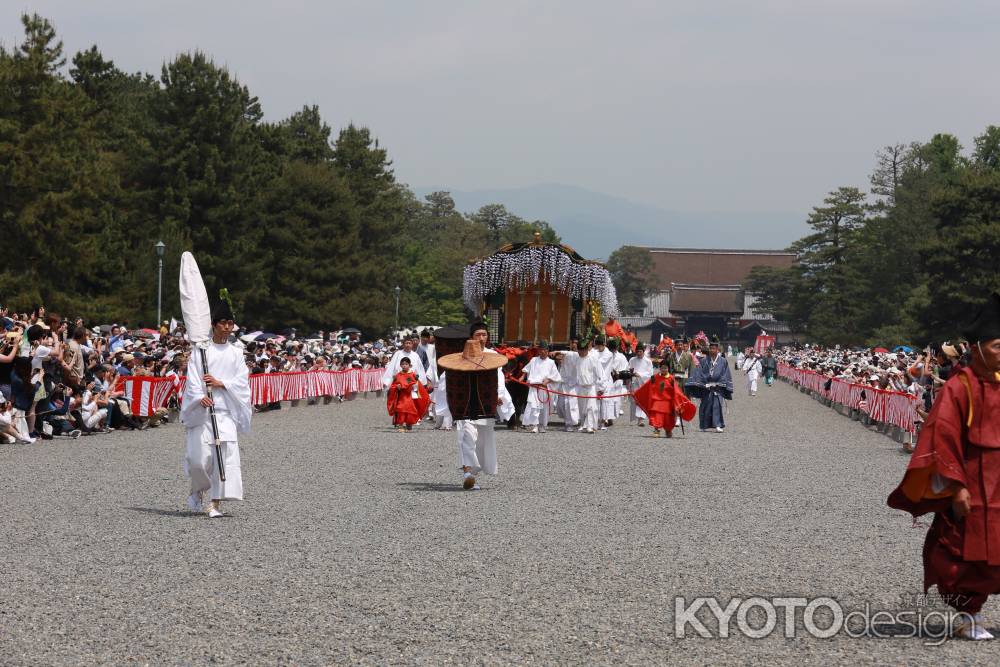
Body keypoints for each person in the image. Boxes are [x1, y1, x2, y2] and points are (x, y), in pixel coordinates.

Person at [887, 293, 1000, 640]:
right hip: (971, 479)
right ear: (978, 347)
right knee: (965, 551)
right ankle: (969, 614)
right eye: (998, 345)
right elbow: (943, 438)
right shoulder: (959, 385)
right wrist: (956, 486)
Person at [180, 302, 251, 518]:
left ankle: (215, 503)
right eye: (224, 323)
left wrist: (222, 383)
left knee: (224, 459)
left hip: (224, 411)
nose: (228, 327)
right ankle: (198, 488)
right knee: (199, 459)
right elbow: (192, 379)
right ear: (214, 325)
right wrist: (199, 398)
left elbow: (242, 382)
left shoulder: (236, 353)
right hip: (203, 412)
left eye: (231, 323)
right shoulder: (201, 351)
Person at [439, 323, 513, 491]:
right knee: (466, 437)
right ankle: (468, 474)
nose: (481, 338)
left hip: (484, 405)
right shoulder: (460, 356)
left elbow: (498, 379)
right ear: (471, 337)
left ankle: (474, 472)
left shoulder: (493, 356)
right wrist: (448, 400)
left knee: (481, 442)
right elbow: (447, 378)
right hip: (464, 405)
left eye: (484, 335)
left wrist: (498, 396)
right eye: (478, 334)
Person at [633, 359, 697, 438]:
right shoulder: (654, 377)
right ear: (660, 368)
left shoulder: (671, 379)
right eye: (662, 368)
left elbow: (677, 391)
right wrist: (636, 392)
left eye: (665, 368)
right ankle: (656, 430)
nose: (664, 369)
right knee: (657, 416)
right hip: (657, 401)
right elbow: (646, 386)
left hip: (668, 402)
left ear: (668, 369)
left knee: (668, 418)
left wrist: (681, 401)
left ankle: (668, 430)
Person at [685, 336, 734, 432]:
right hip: (706, 387)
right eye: (710, 348)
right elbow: (698, 372)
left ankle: (718, 425)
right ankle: (703, 425)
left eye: (714, 348)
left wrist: (721, 383)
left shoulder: (723, 361)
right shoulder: (704, 361)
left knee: (717, 405)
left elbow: (726, 374)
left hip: (717, 387)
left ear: (717, 349)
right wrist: (701, 382)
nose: (712, 350)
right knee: (705, 406)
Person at [520, 341, 562, 433]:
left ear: (547, 351)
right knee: (534, 406)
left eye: (544, 350)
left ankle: (542, 425)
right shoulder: (534, 360)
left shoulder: (551, 362)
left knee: (544, 407)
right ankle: (535, 425)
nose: (542, 352)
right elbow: (526, 369)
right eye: (541, 350)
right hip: (534, 387)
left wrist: (548, 380)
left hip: (544, 388)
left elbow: (556, 376)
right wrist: (522, 377)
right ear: (539, 351)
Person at [386, 357, 429, 432]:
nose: (404, 366)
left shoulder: (412, 375)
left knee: (410, 411)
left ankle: (409, 425)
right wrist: (396, 387)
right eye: (402, 364)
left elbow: (413, 384)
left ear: (410, 365)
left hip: (410, 397)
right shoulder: (398, 375)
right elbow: (393, 385)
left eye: (406, 364)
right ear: (400, 365)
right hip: (401, 397)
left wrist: (410, 385)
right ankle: (401, 425)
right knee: (400, 410)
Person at [575, 339, 602, 434]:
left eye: (583, 350)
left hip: (591, 386)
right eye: (579, 350)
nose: (581, 352)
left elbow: (600, 374)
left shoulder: (593, 359)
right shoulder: (577, 358)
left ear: (587, 349)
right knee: (582, 407)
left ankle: (590, 426)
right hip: (580, 386)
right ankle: (582, 424)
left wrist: (601, 388)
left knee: (591, 407)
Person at [628, 343, 654, 427]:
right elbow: (628, 369)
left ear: (643, 351)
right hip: (634, 383)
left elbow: (650, 373)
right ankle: (637, 418)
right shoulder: (632, 360)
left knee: (642, 401)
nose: (639, 353)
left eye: (640, 351)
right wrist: (631, 374)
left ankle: (641, 419)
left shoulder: (648, 361)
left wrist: (640, 375)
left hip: (644, 383)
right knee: (634, 401)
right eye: (637, 351)